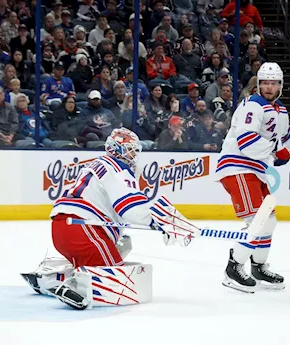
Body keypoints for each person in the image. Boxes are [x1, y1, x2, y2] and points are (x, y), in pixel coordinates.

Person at [24, 128, 195, 310]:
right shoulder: (118, 168)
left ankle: (49, 279)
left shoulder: (97, 164)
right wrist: (160, 221)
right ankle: (77, 287)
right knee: (123, 281)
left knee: (122, 245)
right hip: (84, 231)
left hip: (63, 229)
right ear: (117, 149)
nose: (134, 154)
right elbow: (132, 210)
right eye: (130, 149)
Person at [216, 62, 290, 293]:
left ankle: (258, 267)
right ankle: (233, 268)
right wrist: (275, 150)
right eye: (265, 83)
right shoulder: (252, 106)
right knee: (257, 221)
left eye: (273, 83)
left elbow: (288, 136)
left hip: (256, 170)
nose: (269, 87)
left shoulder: (280, 110)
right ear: (258, 85)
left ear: (280, 86)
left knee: (268, 220)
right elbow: (246, 141)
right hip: (237, 166)